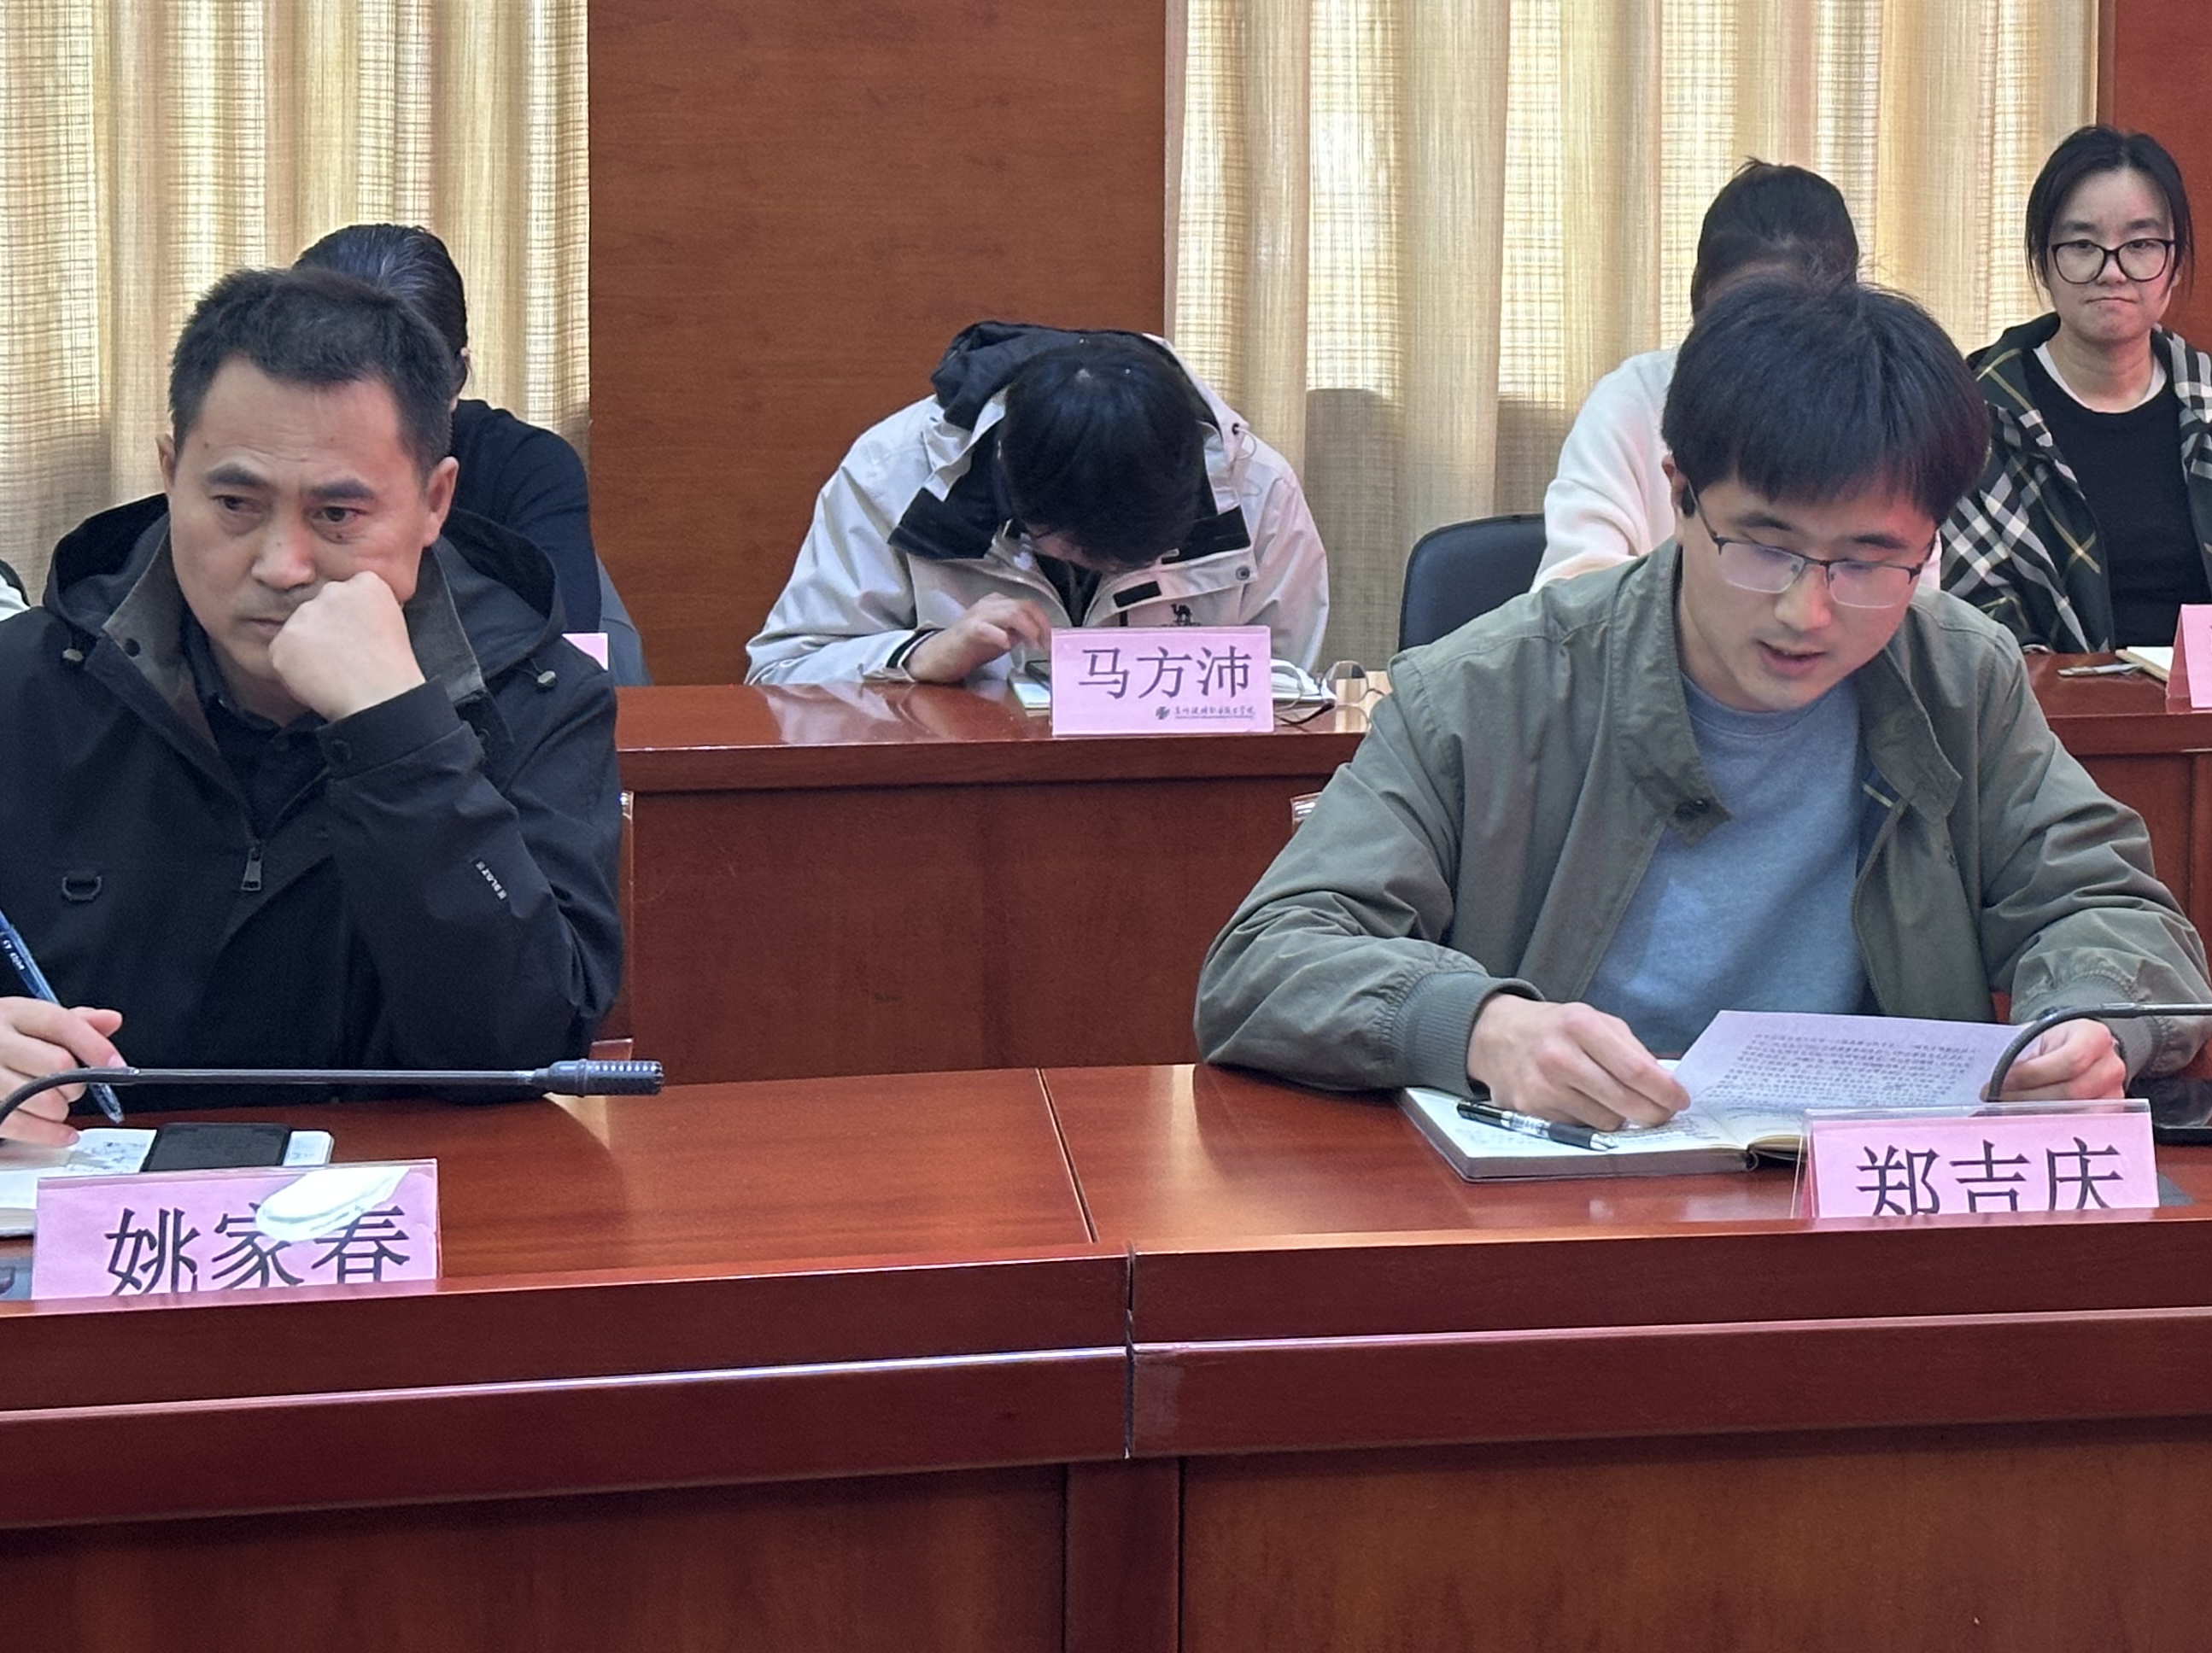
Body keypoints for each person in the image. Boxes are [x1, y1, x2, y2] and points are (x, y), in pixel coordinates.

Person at [1197, 276, 2212, 1125]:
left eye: (1870, 562)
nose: (1808, 611)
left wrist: (2089, 1023)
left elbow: (2111, 910)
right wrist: (1480, 1028)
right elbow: (1266, 961)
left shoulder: (1961, 678)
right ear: (1679, 492)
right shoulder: (1487, 689)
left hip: (1862, 1199)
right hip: (1570, 1202)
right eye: (1765, 547)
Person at [0, 269, 623, 1137]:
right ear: (171, 474)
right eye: (234, 504)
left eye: (336, 515)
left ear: (434, 502)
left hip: (409, 1203)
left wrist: (398, 729)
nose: (282, 566)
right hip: (83, 1197)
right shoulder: (24, 684)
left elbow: (524, 1043)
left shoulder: (539, 696)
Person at [749, 321, 1328, 684]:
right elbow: (782, 675)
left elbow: (1290, 690)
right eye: (1079, 550)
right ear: (1010, 479)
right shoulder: (895, 473)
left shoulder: (1254, 489)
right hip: (957, 793)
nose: (1108, 570)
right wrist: (920, 656)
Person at [1940, 126, 2212, 651]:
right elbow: (1979, 623)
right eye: (2082, 245)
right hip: (2037, 700)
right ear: (2043, 263)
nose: (2112, 271)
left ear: (2175, 265)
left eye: (2140, 245)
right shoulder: (1971, 417)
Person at [1538, 161, 1862, 587]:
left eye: (1788, 329)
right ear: (1699, 306)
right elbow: (1572, 597)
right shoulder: (1632, 402)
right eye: (1738, 326)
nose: (1760, 358)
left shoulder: (1878, 418)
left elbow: (1912, 608)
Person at [298, 223, 603, 635]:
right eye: (323, 382)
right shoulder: (240, 455)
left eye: (399, 391)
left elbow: (570, 652)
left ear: (456, 381)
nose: (353, 418)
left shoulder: (524, 467)